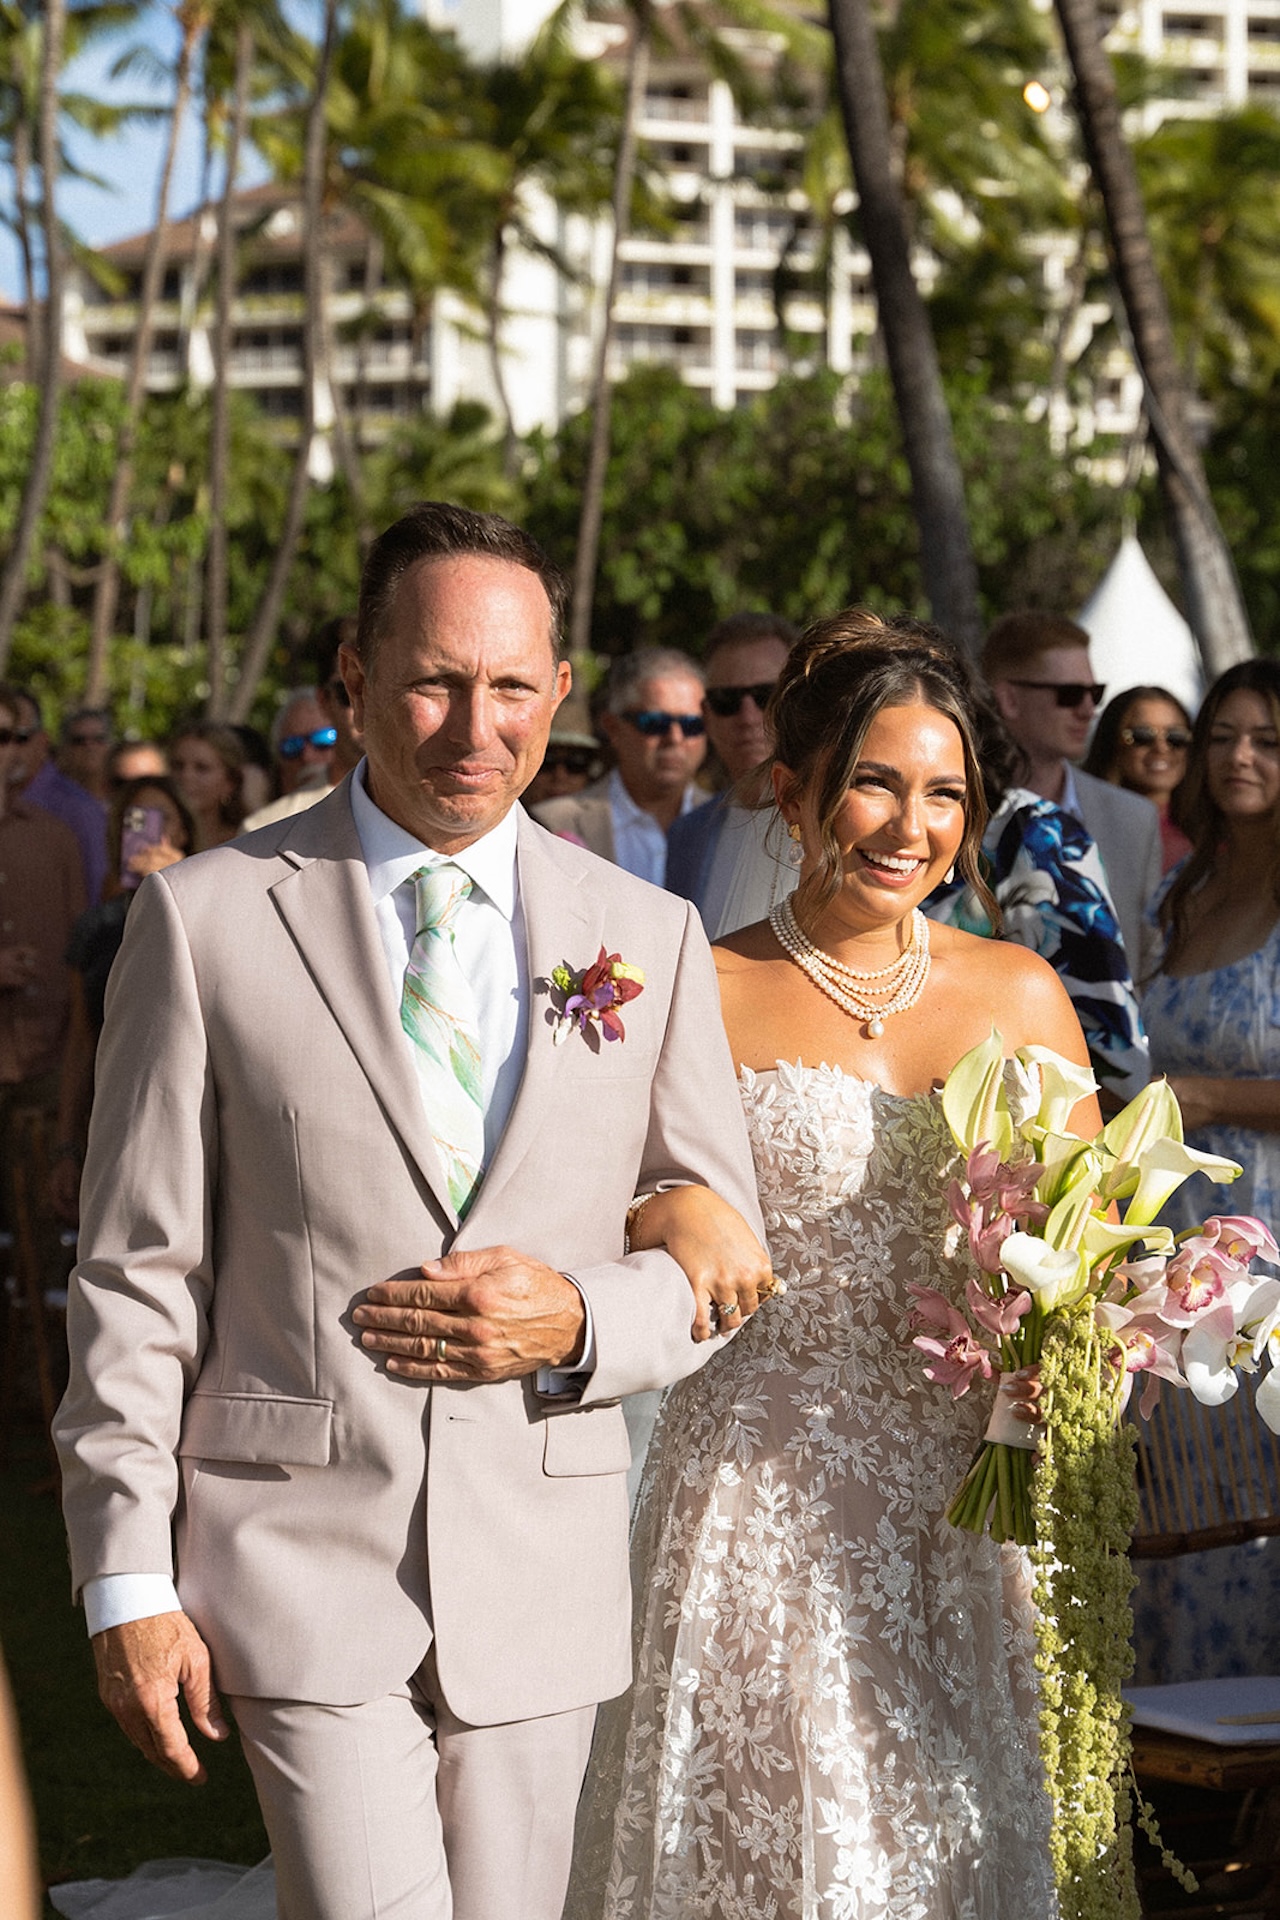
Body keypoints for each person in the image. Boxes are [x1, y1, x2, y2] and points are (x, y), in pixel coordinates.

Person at [53, 502, 765, 1920]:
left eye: (511, 687)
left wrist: (578, 1319)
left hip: (544, 1562)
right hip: (295, 1557)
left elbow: (711, 1240)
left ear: (561, 694)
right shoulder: (203, 918)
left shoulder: (648, 935)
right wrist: (124, 1576)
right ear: (353, 677)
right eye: (436, 680)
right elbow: (137, 1270)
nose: (473, 727)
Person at [568, 610, 1099, 1920]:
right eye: (874, 781)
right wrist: (664, 1212)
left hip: (967, 1510)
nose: (907, 827)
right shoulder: (694, 978)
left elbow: (1090, 1241)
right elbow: (589, 1196)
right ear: (793, 787)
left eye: (943, 795)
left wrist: (1058, 1337)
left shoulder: (1022, 992)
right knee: (775, 1852)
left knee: (946, 1853)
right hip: (756, 1494)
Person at [1132, 657, 1280, 1685]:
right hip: (1166, 1247)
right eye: (1221, 733)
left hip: (1267, 1244)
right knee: (1177, 1498)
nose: (1236, 755)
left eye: (1266, 739)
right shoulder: (1178, 888)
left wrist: (1213, 1098)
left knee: (1256, 1504)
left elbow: (1196, 1086)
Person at [982, 610, 1162, 973]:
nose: (1088, 710)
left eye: (1095, 693)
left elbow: (1146, 966)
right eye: (1069, 694)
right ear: (1009, 700)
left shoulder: (1134, 820)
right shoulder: (950, 813)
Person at [48, 776, 194, 1223]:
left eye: (161, 818)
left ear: (184, 829)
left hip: (188, 1119)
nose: (149, 830)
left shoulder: (213, 904)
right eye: (136, 820)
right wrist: (67, 1146)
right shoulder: (97, 927)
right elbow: (81, 1040)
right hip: (112, 1119)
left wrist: (183, 881)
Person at [0, 682, 86, 1224]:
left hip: (44, 1074)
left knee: (38, 1253)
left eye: (9, 736)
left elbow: (82, 954)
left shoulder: (55, 838)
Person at [665, 611, 796, 930]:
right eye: (727, 700)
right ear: (707, 716)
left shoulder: (840, 824)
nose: (748, 716)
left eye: (766, 696)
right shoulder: (688, 836)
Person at [532, 648, 707, 881]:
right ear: (613, 727)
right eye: (655, 723)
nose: (675, 738)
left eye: (691, 725)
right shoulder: (550, 824)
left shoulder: (732, 824)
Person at [8, 689, 109, 905]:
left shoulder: (79, 810)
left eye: (20, 737)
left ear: (42, 742)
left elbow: (93, 900)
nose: (9, 749)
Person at [1083, 685, 1194, 875]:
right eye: (1141, 736)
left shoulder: (1218, 828)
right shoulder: (1078, 828)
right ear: (1111, 743)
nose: (1161, 748)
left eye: (1175, 737)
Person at [168, 721, 246, 851]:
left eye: (202, 768)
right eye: (178, 766)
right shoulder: (151, 838)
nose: (186, 776)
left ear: (230, 782)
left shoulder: (243, 841)